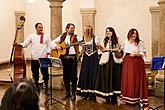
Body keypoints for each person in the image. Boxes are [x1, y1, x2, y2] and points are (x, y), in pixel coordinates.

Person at [50, 23, 81, 101]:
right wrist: (57, 47)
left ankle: (73, 93)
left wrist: (80, 53)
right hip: (64, 59)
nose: (72, 30)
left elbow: (85, 43)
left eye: (73, 28)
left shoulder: (77, 37)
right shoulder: (62, 37)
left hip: (73, 59)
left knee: (74, 77)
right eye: (71, 28)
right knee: (66, 76)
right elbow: (51, 43)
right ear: (66, 29)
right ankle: (67, 93)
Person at [19, 23, 51, 95]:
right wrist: (19, 44)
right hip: (34, 59)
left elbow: (50, 46)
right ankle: (37, 87)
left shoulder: (46, 36)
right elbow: (25, 44)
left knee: (45, 74)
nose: (41, 29)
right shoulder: (31, 36)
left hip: (43, 59)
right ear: (36, 28)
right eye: (39, 27)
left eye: (42, 27)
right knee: (35, 74)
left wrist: (47, 53)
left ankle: (46, 89)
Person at [120, 28, 148, 107]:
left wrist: (136, 54)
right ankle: (127, 98)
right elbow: (122, 52)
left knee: (136, 79)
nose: (134, 35)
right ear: (129, 34)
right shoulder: (125, 42)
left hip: (137, 62)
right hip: (127, 62)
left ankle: (137, 98)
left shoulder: (139, 43)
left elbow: (143, 53)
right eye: (132, 33)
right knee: (128, 79)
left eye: (135, 33)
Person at [94, 27, 122, 104]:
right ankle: (107, 96)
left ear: (113, 32)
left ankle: (114, 97)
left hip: (115, 61)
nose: (108, 32)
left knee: (115, 78)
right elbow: (102, 50)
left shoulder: (117, 39)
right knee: (106, 77)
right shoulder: (104, 40)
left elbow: (120, 48)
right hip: (106, 60)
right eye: (107, 31)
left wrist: (115, 50)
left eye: (109, 31)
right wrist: (99, 46)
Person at [77, 25, 100, 102]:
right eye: (85, 30)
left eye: (87, 30)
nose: (86, 32)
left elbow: (98, 48)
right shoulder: (83, 39)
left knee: (93, 74)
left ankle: (92, 94)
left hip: (93, 58)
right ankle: (85, 93)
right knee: (85, 74)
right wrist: (79, 55)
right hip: (86, 58)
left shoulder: (95, 38)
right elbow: (84, 49)